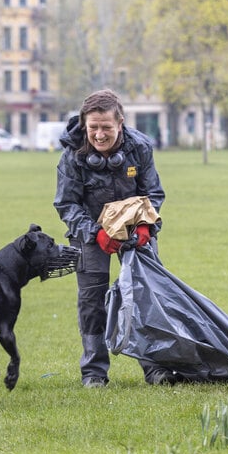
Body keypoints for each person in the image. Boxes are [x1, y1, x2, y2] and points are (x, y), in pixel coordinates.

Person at [54, 89, 173, 388]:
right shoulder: (71, 155)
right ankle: (94, 372)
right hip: (91, 233)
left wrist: (146, 225)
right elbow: (67, 204)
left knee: (146, 295)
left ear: (121, 123)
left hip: (137, 231)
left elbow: (153, 193)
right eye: (92, 127)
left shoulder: (141, 148)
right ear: (84, 125)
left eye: (106, 127)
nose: (99, 134)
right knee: (91, 300)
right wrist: (97, 233)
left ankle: (155, 367)